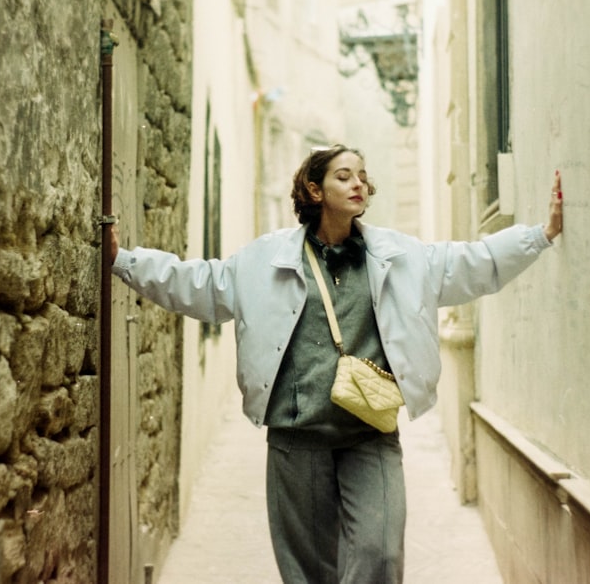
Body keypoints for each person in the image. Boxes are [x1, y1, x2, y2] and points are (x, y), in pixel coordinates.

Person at [108, 144, 563, 584]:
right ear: (313, 190)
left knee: (381, 554)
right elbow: (199, 284)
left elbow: (471, 262)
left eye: (362, 176)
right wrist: (123, 262)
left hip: (370, 432)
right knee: (310, 571)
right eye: (343, 176)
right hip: (296, 437)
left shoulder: (399, 256)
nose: (358, 183)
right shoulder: (266, 259)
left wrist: (539, 235)